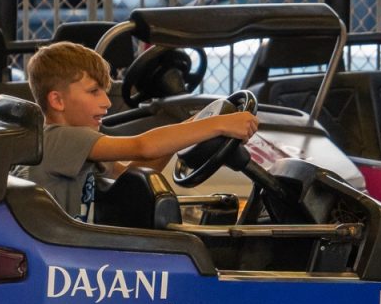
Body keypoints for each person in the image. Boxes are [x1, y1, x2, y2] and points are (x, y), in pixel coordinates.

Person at [18, 41, 258, 221]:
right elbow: (143, 147)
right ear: (57, 101)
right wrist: (217, 124)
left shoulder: (72, 143)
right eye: (94, 92)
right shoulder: (58, 137)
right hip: (61, 253)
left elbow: (130, 176)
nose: (107, 102)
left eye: (104, 91)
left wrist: (193, 124)